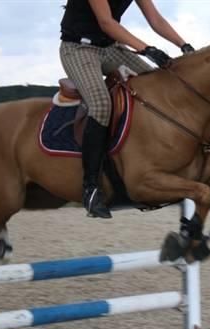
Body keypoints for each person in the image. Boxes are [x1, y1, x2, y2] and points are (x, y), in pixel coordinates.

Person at [60, 0, 194, 218]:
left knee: (159, 85)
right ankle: (91, 188)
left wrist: (183, 45)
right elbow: (106, 23)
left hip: (110, 49)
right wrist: (147, 49)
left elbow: (156, 19)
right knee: (101, 105)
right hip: (78, 49)